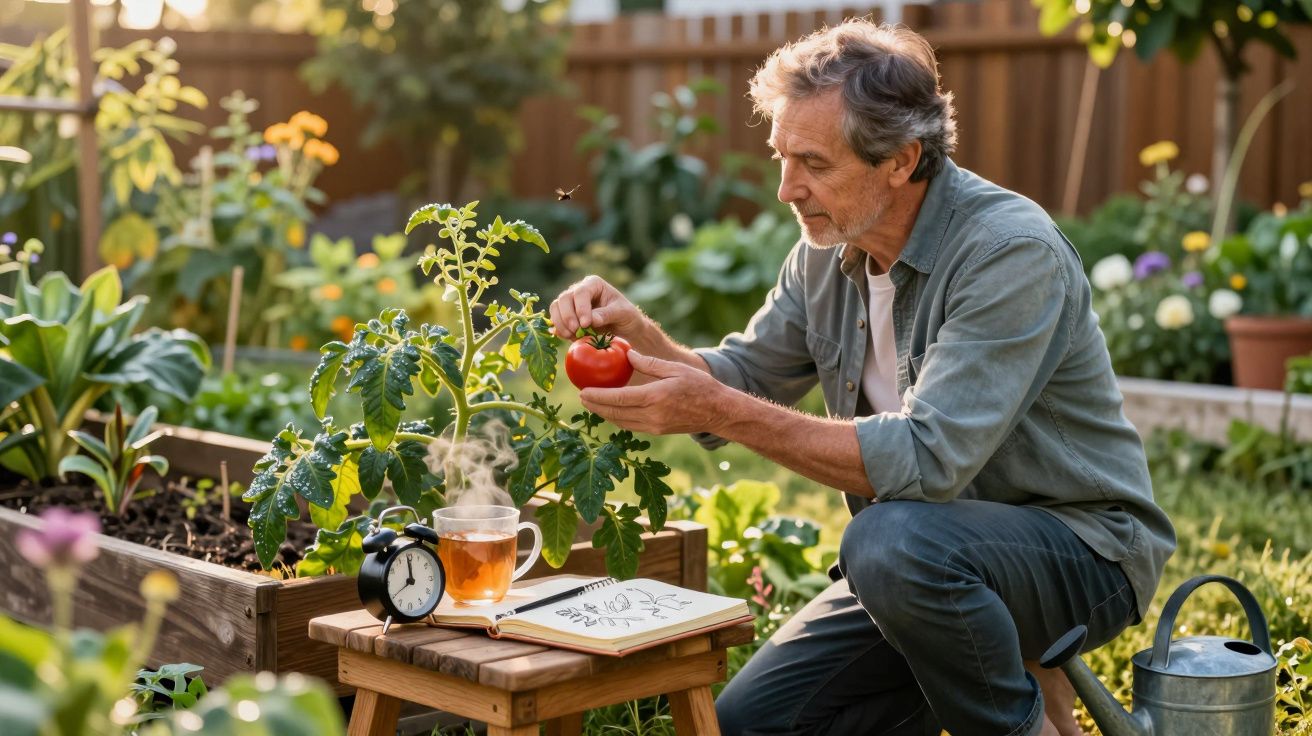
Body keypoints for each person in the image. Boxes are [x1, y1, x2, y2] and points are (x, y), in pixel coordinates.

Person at [549, 18, 1174, 736]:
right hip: (920, 565)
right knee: (750, 726)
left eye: (814, 163)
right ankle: (995, 665)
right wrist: (639, 337)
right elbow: (743, 377)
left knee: (887, 540)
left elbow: (925, 460)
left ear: (902, 160)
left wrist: (720, 409)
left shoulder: (1009, 253)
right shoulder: (824, 251)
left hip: (1080, 551)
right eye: (781, 156)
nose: (787, 189)